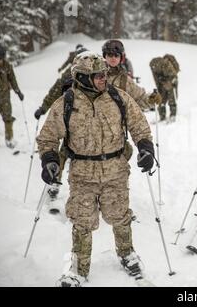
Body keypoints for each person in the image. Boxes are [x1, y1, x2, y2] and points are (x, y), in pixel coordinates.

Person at [36, 52, 156, 287]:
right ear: (82, 77)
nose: (104, 78)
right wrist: (49, 159)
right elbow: (47, 138)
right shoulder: (66, 104)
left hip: (115, 171)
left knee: (120, 216)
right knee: (82, 222)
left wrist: (146, 148)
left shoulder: (118, 98)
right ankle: (78, 269)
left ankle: (127, 254)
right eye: (98, 76)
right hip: (82, 174)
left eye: (104, 74)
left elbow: (139, 126)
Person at [33, 47, 88, 214]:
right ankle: (53, 186)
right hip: (64, 124)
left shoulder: (92, 79)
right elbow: (53, 94)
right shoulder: (66, 78)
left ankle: (89, 196)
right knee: (61, 155)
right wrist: (43, 109)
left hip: (86, 129)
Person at [102, 39, 162, 161]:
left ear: (121, 58)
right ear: (104, 56)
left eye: (116, 55)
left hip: (116, 134)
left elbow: (139, 98)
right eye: (109, 55)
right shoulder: (95, 76)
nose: (113, 58)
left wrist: (150, 99)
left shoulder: (125, 80)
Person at [0, 43, 24, 148]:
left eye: (1, 58)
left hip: (5, 97)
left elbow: (12, 79)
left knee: (8, 118)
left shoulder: (7, 66)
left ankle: (9, 139)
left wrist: (18, 92)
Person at [149, 54, 180, 122]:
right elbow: (156, 79)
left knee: (170, 99)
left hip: (170, 81)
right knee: (162, 100)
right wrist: (159, 87)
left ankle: (172, 116)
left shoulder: (165, 64)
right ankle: (163, 116)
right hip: (163, 82)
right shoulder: (155, 66)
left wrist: (169, 83)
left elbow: (173, 76)